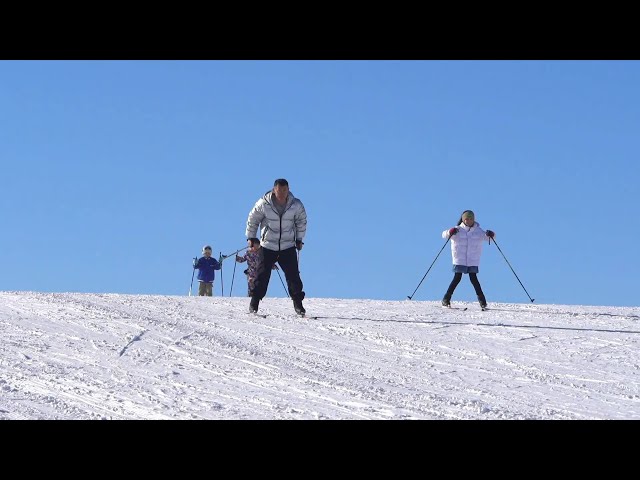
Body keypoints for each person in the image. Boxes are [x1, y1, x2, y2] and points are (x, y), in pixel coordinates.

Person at [245, 178, 307, 315]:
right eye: (279, 190)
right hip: (268, 245)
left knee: (293, 276)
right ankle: (254, 302)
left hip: (287, 246)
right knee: (262, 275)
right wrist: (251, 237)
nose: (282, 193)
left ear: (288, 190)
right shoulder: (264, 203)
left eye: (285, 190)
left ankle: (298, 304)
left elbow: (301, 221)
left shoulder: (295, 205)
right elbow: (253, 218)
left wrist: (299, 239)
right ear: (274, 190)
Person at [441, 210, 495, 309]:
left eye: (471, 219)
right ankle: (446, 299)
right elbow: (444, 234)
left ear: (473, 220)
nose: (469, 221)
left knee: (474, 279)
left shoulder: (478, 231)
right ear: (463, 219)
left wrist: (491, 234)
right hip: (459, 259)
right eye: (466, 219)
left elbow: (489, 238)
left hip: (472, 260)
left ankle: (483, 302)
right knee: (457, 278)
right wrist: (450, 232)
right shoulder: (457, 229)